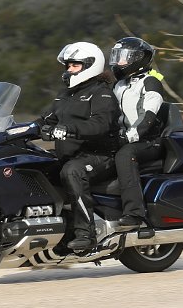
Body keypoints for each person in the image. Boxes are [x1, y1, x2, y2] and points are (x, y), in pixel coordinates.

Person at [35, 41, 120, 252]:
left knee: (72, 171)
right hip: (71, 154)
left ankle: (86, 233)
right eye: (67, 66)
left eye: (74, 65)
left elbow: (101, 124)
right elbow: (45, 120)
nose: (69, 70)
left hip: (100, 156)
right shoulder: (64, 96)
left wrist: (68, 129)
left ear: (90, 65)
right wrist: (13, 131)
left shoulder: (102, 93)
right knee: (35, 164)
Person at [109, 36, 166, 231]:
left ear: (138, 59)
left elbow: (148, 116)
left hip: (149, 140)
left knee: (125, 154)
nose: (118, 62)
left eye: (123, 57)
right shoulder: (119, 85)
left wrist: (131, 135)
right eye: (116, 57)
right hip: (125, 137)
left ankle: (135, 214)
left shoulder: (150, 82)